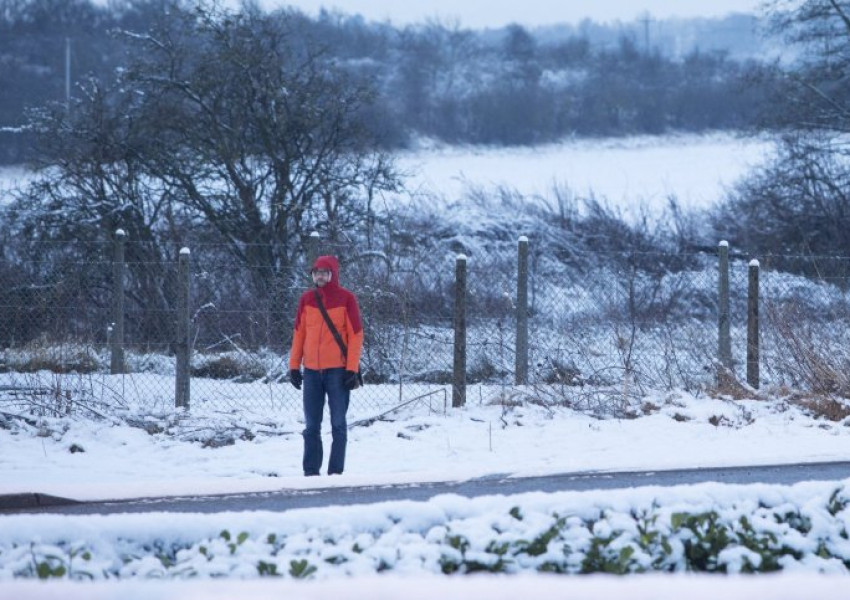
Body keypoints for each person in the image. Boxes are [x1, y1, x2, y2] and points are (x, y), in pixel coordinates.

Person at [289, 255, 363, 476]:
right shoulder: (306, 299)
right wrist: (294, 366)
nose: (320, 275)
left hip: (338, 372)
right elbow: (299, 334)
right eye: (316, 272)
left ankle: (335, 474)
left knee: (338, 425)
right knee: (311, 426)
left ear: (333, 275)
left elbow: (356, 335)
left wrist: (351, 369)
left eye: (324, 272)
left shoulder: (346, 299)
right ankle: (311, 473)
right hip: (311, 371)